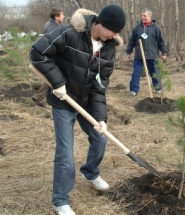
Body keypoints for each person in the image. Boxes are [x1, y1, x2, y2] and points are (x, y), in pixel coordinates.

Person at [29, 5, 126, 215]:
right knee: (65, 153)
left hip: (87, 102)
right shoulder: (69, 33)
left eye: (118, 33)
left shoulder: (109, 48)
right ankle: (60, 200)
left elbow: (100, 86)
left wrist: (101, 118)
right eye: (113, 31)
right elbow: (37, 52)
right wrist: (57, 82)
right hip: (63, 101)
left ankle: (90, 172)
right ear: (100, 23)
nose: (115, 36)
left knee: (101, 138)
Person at [126, 8, 168, 97]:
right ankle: (134, 90)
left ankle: (158, 89)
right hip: (139, 56)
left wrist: (164, 53)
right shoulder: (137, 28)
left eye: (144, 15)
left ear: (150, 16)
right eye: (142, 15)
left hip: (152, 56)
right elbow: (132, 41)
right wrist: (128, 52)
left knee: (155, 73)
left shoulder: (156, 28)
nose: (143, 17)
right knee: (136, 73)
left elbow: (161, 41)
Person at [31, 8, 65, 107]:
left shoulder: (49, 24)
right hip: (52, 56)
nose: (63, 16)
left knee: (51, 77)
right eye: (62, 15)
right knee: (54, 78)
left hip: (49, 55)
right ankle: (39, 95)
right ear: (56, 16)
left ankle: (39, 95)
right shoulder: (54, 28)